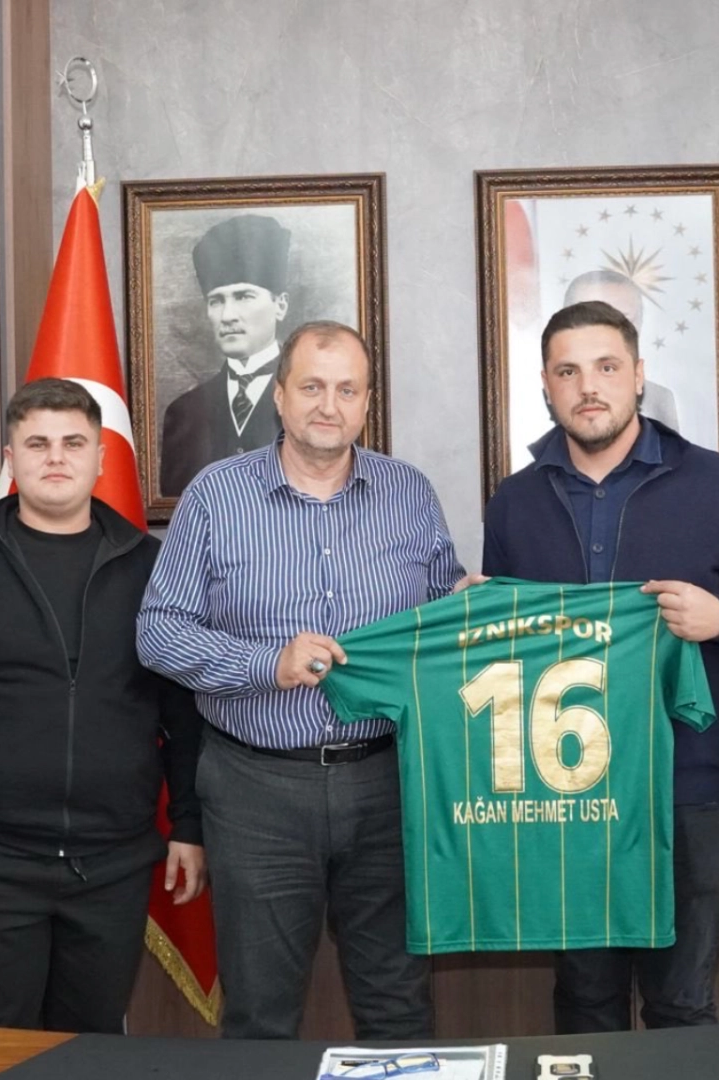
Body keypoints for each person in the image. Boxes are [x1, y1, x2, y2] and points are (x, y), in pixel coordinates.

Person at [481, 299, 719, 1032]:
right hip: (564, 788)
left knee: (681, 1003)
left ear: (638, 376)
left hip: (682, 780)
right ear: (545, 385)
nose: (588, 386)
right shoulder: (514, 502)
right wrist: (481, 617)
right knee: (583, 1000)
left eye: (606, 367)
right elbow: (509, 648)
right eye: (568, 371)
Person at [138, 320, 465, 1040]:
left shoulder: (410, 494)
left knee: (399, 1007)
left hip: (388, 784)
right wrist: (268, 665)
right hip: (257, 790)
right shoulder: (215, 497)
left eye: (347, 389)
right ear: (279, 396)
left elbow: (441, 620)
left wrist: (471, 607)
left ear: (367, 402)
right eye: (312, 386)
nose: (329, 405)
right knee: (259, 1016)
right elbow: (158, 633)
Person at [0, 378, 205, 1033]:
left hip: (112, 864)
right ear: (11, 457)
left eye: (73, 443)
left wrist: (190, 827)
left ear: (101, 458)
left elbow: (184, 714)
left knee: (89, 1050)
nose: (55, 457)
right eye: (37, 443)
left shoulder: (152, 566)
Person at [159, 213, 292, 496]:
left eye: (244, 297)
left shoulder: (311, 403)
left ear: (280, 305)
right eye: (216, 301)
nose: (228, 315)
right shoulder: (184, 413)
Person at [563, 270, 678, 429]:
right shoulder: (536, 398)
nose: (609, 332)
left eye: (624, 320)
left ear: (640, 323)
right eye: (593, 319)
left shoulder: (658, 400)